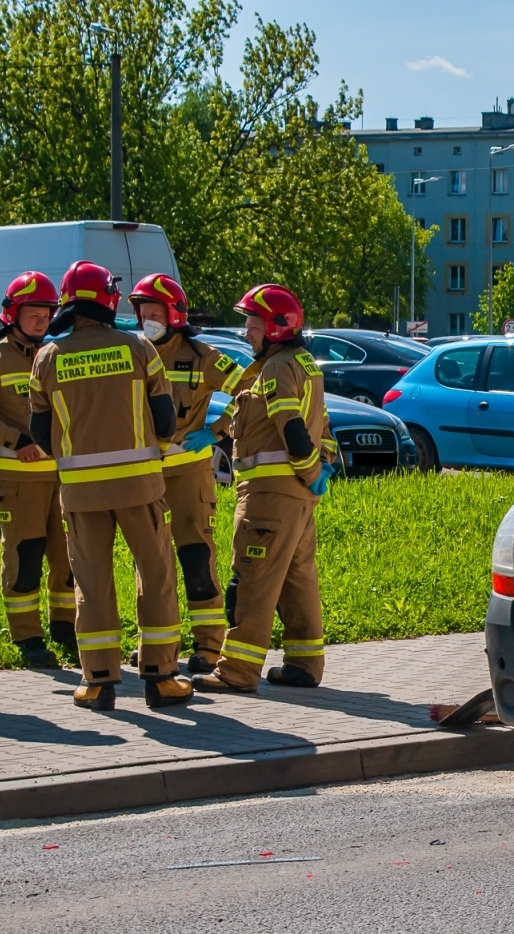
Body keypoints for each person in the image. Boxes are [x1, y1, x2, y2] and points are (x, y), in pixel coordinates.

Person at [27, 261, 193, 712]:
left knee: (92, 582)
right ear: (109, 299)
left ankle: (97, 682)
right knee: (155, 575)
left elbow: (39, 431)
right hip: (140, 487)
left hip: (81, 492)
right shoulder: (138, 348)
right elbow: (165, 420)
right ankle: (161, 678)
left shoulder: (48, 357)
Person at [194, 283, 334, 694]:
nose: (246, 333)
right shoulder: (302, 364)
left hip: (269, 496)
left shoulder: (277, 368)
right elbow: (322, 423)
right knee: (297, 579)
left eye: (252, 325)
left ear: (275, 327)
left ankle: (236, 672)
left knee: (252, 581)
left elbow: (292, 427)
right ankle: (304, 664)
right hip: (297, 498)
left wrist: (310, 470)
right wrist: (320, 470)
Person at [127, 273, 249, 674]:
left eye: (155, 312)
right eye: (143, 313)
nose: (148, 320)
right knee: (149, 563)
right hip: (146, 474)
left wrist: (217, 431)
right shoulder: (132, 353)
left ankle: (209, 646)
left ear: (174, 314)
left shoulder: (202, 356)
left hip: (188, 475)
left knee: (196, 558)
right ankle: (154, 644)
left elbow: (251, 388)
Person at [0, 271, 76, 668]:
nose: (41, 321)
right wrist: (15, 440)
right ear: (13, 314)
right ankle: (27, 637)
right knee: (25, 559)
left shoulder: (55, 354)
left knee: (68, 558)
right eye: (33, 314)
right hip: (16, 480)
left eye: (47, 314)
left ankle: (65, 627)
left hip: (60, 478)